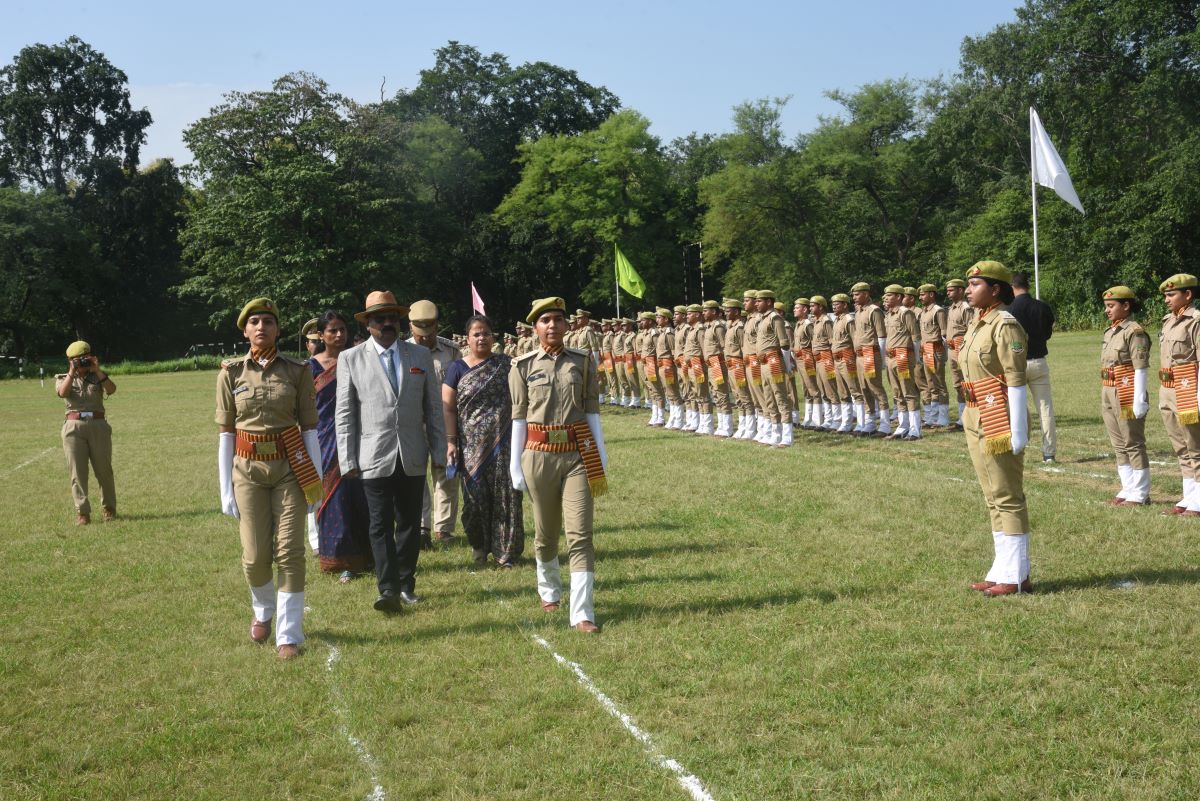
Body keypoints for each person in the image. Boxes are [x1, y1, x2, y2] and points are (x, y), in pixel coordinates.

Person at [215, 297, 322, 659]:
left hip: (290, 469)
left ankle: (288, 634)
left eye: (268, 322)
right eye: (255, 322)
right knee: (255, 556)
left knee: (290, 552)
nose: (262, 327)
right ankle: (263, 610)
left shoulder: (298, 371)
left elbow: (309, 430)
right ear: (245, 330)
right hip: (247, 472)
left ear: (278, 329)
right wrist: (224, 489)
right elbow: (226, 434)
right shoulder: (230, 373)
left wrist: (316, 482)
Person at [336, 290, 447, 613]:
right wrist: (348, 459)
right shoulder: (351, 358)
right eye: (379, 318)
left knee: (410, 523)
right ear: (368, 323)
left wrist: (439, 451)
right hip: (372, 455)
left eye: (392, 318)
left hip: (412, 452)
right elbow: (344, 413)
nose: (387, 323)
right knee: (379, 524)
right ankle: (387, 589)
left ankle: (406, 583)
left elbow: (434, 409)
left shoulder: (419, 356)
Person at [509, 297, 607, 633]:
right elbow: (518, 418)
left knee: (580, 535)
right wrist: (514, 465)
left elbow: (592, 411)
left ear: (567, 326)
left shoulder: (581, 361)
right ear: (535, 327)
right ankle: (549, 590)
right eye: (545, 320)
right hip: (537, 454)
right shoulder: (521, 366)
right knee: (546, 533)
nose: (552, 326)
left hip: (579, 454)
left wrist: (601, 458)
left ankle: (582, 613)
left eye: (558, 320)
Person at [960, 262, 1032, 597]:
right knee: (992, 497)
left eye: (975, 284)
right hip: (975, 414)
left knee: (1007, 495)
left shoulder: (1005, 324)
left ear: (996, 289)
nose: (968, 289)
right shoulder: (978, 324)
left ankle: (1017, 575)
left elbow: (1016, 380)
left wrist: (1018, 430)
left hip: (999, 417)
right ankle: (1002, 568)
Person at [443, 315, 524, 567]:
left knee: (506, 497)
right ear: (467, 339)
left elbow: (521, 400)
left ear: (493, 337)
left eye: (486, 333)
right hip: (470, 447)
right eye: (476, 334)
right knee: (474, 500)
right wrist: (451, 441)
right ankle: (479, 548)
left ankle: (505, 553)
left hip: (505, 443)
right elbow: (448, 408)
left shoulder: (507, 365)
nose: (481, 338)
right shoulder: (456, 368)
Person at [310, 311, 372, 580]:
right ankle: (336, 558)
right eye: (332, 330)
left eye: (342, 329)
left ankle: (364, 557)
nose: (338, 335)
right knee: (332, 496)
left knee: (359, 496)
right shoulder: (309, 367)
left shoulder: (357, 359)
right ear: (321, 335)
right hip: (323, 439)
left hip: (357, 437)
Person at [407, 299, 462, 547]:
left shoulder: (451, 351)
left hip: (443, 423)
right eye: (420, 331)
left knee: (446, 474)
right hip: (412, 424)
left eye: (429, 330)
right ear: (410, 327)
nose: (425, 337)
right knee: (416, 476)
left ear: (437, 326)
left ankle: (444, 529)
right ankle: (421, 527)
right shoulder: (401, 350)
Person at [1099, 286, 1152, 506]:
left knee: (1133, 442)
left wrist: (1139, 398)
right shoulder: (1111, 331)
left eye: (1111, 306)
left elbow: (1140, 366)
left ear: (1126, 306)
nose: (1107, 311)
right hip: (1108, 388)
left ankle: (1140, 492)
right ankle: (1128, 486)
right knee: (1118, 442)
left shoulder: (1134, 331)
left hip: (1127, 389)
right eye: (1106, 307)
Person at [56, 340, 117, 525]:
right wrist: (71, 372)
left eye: (83, 359)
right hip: (73, 427)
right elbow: (62, 393)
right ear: (70, 360)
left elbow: (112, 389)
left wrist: (97, 369)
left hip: (98, 424)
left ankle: (109, 509)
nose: (81, 363)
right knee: (77, 472)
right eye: (76, 360)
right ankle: (83, 513)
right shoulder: (63, 377)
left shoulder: (98, 375)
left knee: (104, 470)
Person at [1156, 274, 1200, 515]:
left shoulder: (1196, 321)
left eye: (1171, 294)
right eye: (1165, 295)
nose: (1166, 299)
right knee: (1180, 446)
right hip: (1167, 390)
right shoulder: (1168, 321)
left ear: (1188, 295)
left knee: (1196, 446)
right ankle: (1190, 496)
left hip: (1187, 390)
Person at [1009, 271, 1057, 462]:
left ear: (1013, 287)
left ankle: (1017, 445)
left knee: (1015, 408)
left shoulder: (1008, 310)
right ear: (1028, 286)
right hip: (1038, 361)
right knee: (1045, 409)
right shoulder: (1042, 307)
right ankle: (1049, 452)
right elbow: (1047, 333)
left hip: (1016, 364)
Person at [851, 282, 891, 437]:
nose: (854, 297)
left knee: (876, 388)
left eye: (857, 294)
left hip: (870, 354)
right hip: (859, 355)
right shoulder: (859, 312)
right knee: (864, 388)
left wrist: (881, 359)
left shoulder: (874, 311)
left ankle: (885, 424)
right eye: (853, 295)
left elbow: (881, 336)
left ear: (866, 294)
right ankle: (869, 422)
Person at [917, 284, 950, 428]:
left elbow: (945, 335)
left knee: (940, 384)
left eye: (923, 294)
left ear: (931, 295)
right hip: (926, 351)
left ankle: (943, 417)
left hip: (936, 350)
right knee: (931, 384)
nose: (920, 297)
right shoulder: (923, 312)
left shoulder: (938, 311)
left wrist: (945, 355)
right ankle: (933, 416)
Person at [945, 278, 972, 428]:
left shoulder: (965, 308)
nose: (948, 293)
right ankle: (962, 417)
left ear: (961, 291)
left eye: (951, 290)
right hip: (951, 349)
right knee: (957, 383)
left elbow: (970, 330)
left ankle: (970, 414)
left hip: (961, 348)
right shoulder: (952, 308)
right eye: (948, 290)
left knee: (966, 382)